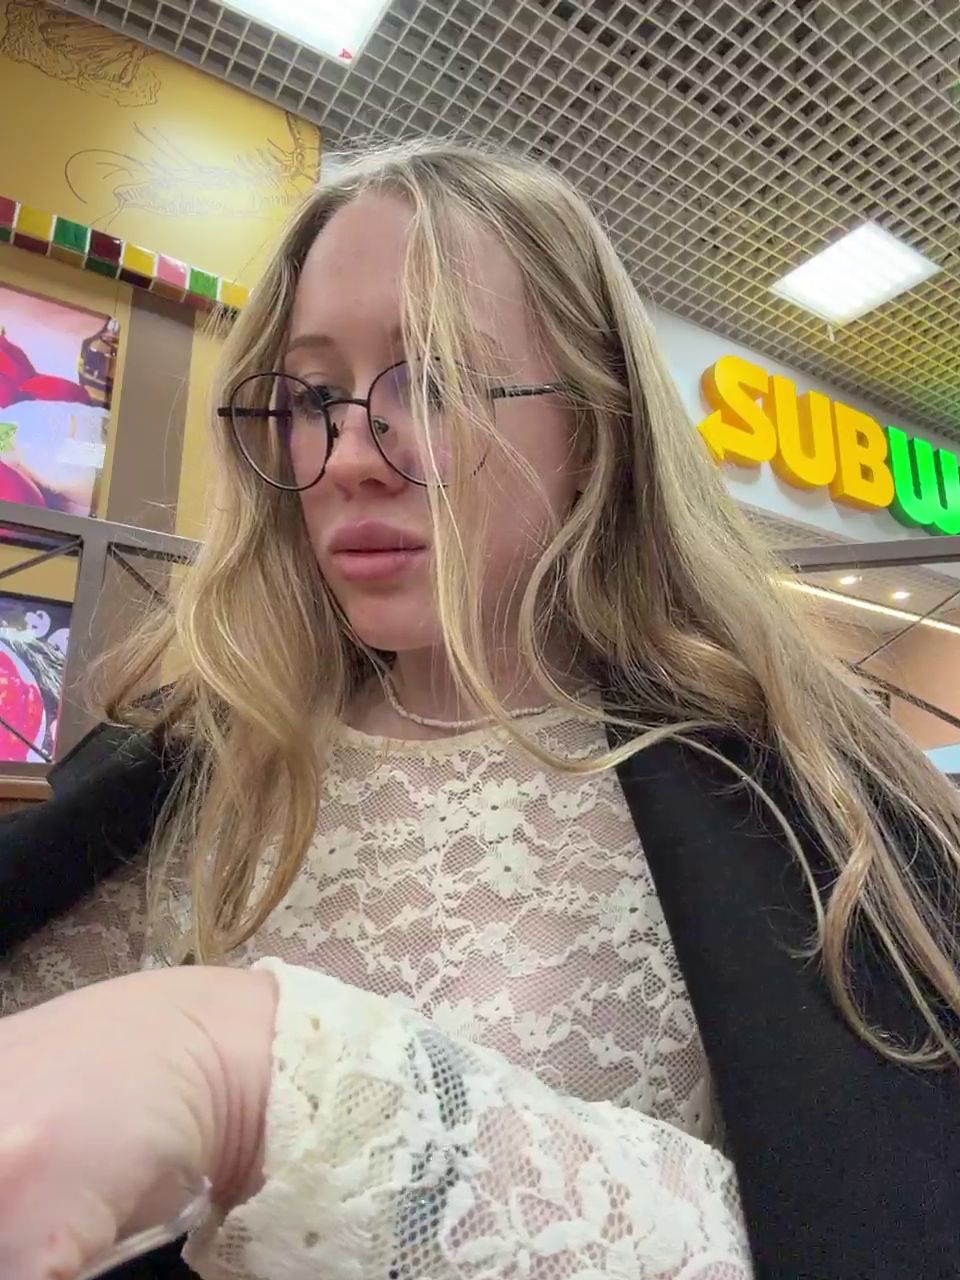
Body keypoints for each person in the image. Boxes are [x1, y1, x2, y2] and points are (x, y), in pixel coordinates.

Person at [1, 140, 958, 1280]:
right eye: (313, 397)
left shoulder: (798, 804)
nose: (350, 455)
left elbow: (869, 1220)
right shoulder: (189, 760)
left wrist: (279, 1087)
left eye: (438, 380)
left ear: (593, 427)